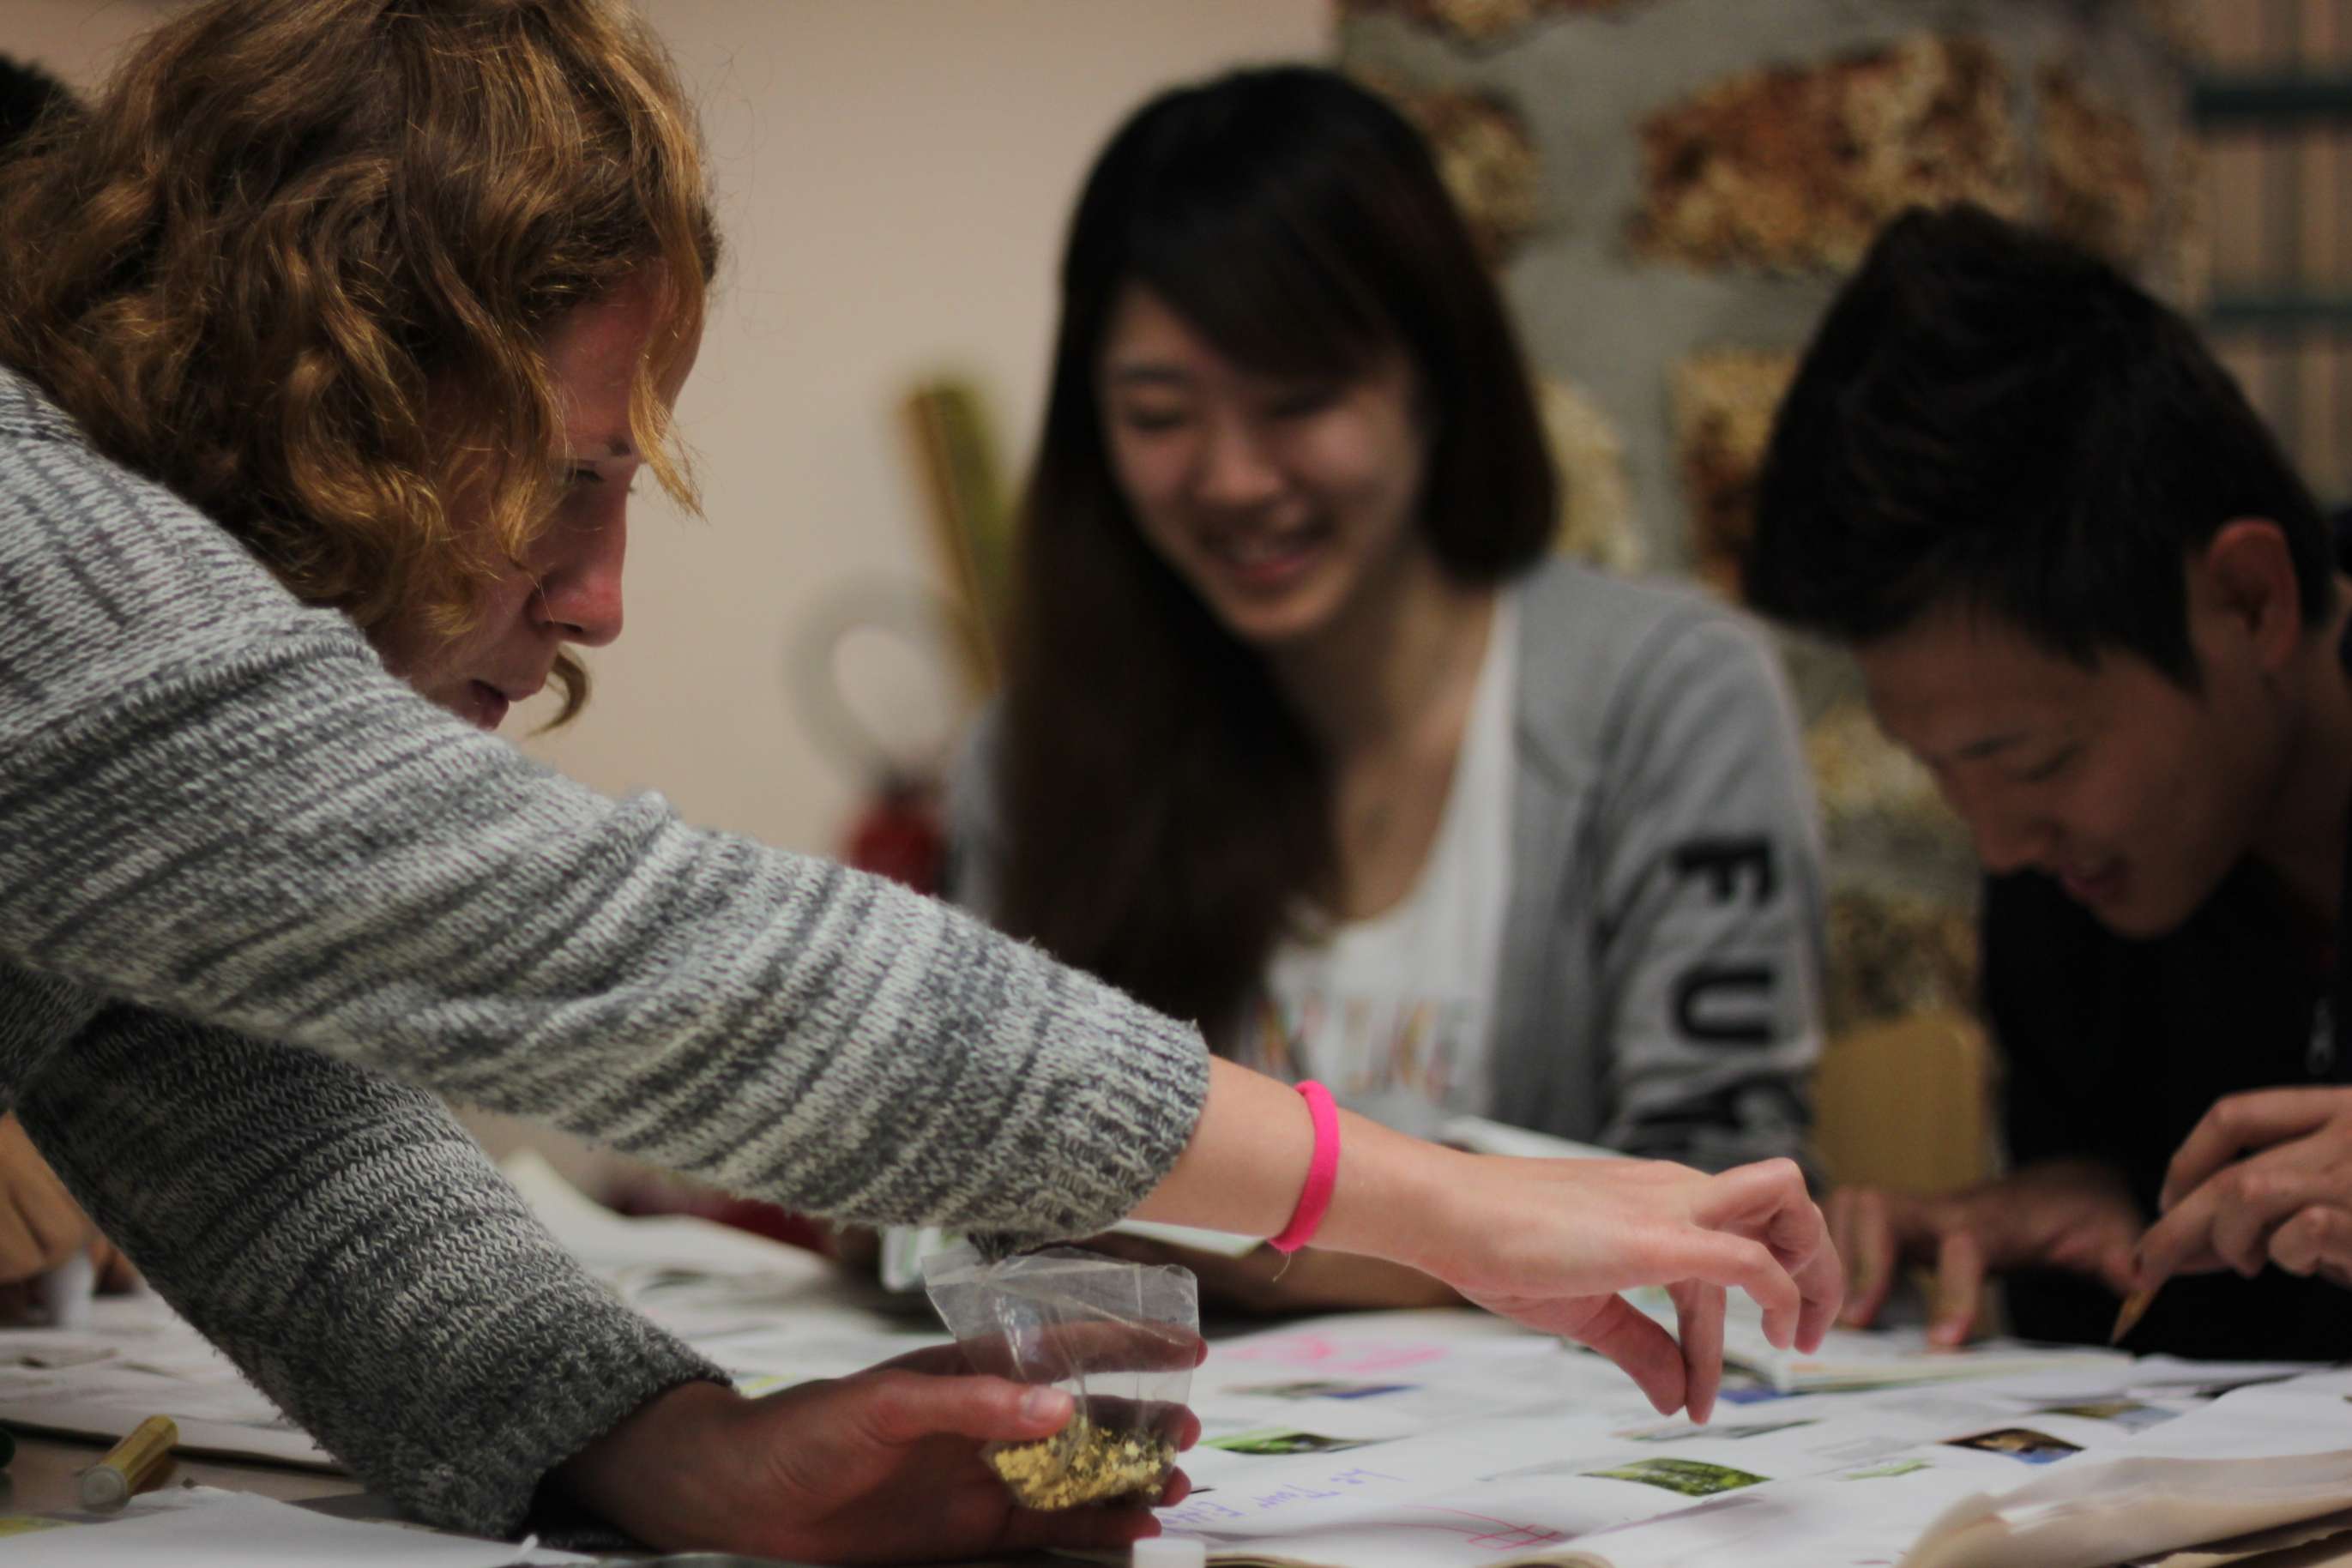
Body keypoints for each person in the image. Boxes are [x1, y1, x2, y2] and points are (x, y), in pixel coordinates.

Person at [0, 2, 1839, 1560]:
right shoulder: (34, 546)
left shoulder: (1651, 684)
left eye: (1299, 396)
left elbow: (264, 1131)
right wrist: (1429, 1197)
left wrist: (687, 1457)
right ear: (328, 396)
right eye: (567, 483)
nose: (605, 602)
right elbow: (662, 960)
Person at [951, 65, 1827, 1315]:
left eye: (1300, 402)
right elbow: (982, 1185)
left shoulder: (1666, 698)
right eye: (1158, 413)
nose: (1236, 478)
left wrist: (1202, 1248)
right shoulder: (1033, 747)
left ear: (1434, 378)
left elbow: (1712, 1226)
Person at [1745, 202, 2352, 1362]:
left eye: (2033, 760)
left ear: (2248, 602)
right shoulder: (2075, 892)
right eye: (1938, 770)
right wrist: (2116, 1214)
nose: (2002, 842)